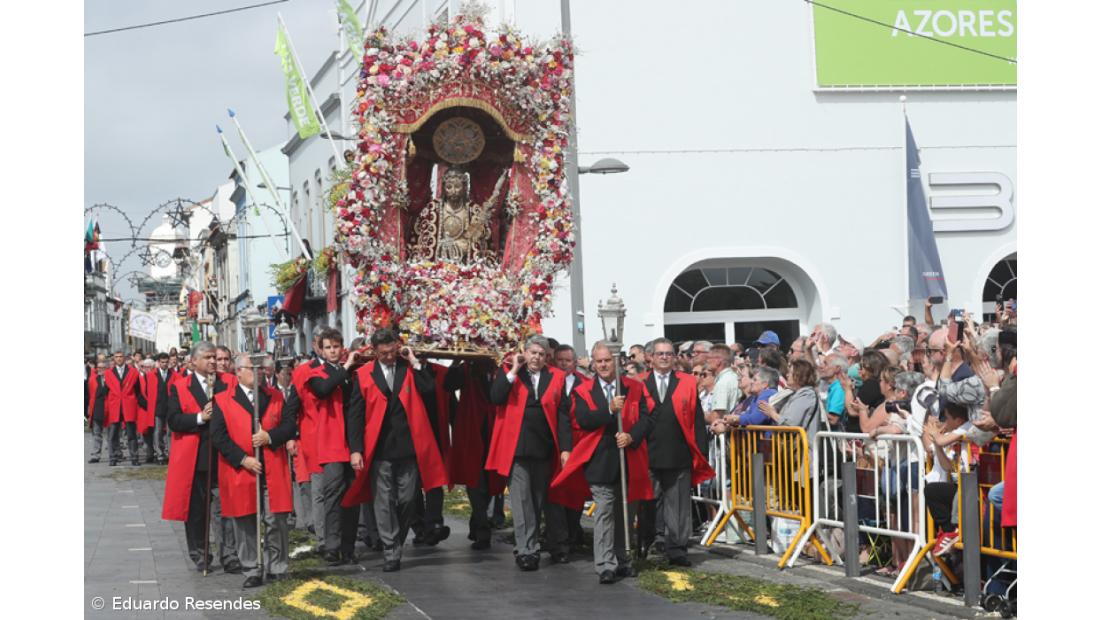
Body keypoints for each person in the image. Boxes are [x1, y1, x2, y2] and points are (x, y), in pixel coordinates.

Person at [342, 328, 447, 572]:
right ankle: (391, 550)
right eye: (384, 354)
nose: (389, 357)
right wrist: (356, 449)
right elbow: (355, 415)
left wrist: (412, 360)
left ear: (397, 346)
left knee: (408, 499)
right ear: (375, 352)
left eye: (392, 352)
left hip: (408, 447)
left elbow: (430, 390)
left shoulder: (408, 368)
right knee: (383, 502)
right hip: (378, 448)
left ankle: (395, 539)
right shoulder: (364, 374)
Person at [550, 342, 651, 584]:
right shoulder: (582, 390)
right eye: (599, 361)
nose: (604, 365)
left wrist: (631, 436)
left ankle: (622, 558)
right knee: (604, 512)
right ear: (593, 364)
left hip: (628, 459)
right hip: (600, 461)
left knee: (624, 513)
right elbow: (583, 420)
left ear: (616, 362)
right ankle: (605, 563)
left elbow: (647, 418)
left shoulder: (634, 387)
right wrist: (608, 409)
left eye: (607, 360)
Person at [210, 353, 297, 587]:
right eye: (252, 368)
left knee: (275, 518)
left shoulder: (275, 396)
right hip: (242, 469)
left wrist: (270, 436)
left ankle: (277, 566)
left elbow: (289, 425)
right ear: (238, 371)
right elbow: (218, 436)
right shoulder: (222, 399)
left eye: (261, 368)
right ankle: (251, 568)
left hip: (272, 466)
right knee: (245, 520)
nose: (258, 373)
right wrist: (243, 459)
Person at [486, 335, 571, 571]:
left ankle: (541, 544)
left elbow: (563, 414)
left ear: (547, 358)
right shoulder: (510, 372)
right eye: (533, 353)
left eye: (542, 354)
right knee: (522, 502)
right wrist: (513, 369)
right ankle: (527, 550)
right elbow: (496, 397)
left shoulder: (556, 377)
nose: (536, 358)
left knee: (539, 501)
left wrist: (565, 448)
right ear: (525, 352)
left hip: (544, 447)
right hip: (517, 448)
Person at [635, 338, 715, 567]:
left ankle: (677, 548)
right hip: (647, 453)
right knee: (647, 503)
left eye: (669, 354)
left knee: (678, 505)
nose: (664, 357)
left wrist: (701, 452)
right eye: (660, 353)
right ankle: (647, 542)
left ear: (674, 357)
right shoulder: (639, 382)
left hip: (678, 452)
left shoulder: (688, 382)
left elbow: (698, 420)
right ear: (650, 357)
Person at [162, 342, 240, 573]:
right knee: (196, 511)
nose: (213, 362)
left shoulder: (227, 383)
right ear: (194, 361)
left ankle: (230, 555)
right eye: (207, 358)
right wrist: (199, 417)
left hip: (222, 454)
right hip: (194, 457)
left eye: (214, 357)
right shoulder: (179, 386)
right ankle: (200, 553)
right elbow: (174, 420)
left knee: (225, 508)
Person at [289, 328, 361, 566]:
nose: (333, 351)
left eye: (336, 347)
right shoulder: (314, 371)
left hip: (350, 441)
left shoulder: (347, 372)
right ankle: (331, 545)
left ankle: (348, 547)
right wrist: (346, 368)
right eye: (328, 347)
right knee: (331, 495)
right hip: (329, 442)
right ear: (320, 348)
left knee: (352, 495)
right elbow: (322, 389)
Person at [445, 359, 502, 550]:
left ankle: (476, 522)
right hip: (472, 429)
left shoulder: (501, 368)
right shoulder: (466, 368)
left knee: (491, 481)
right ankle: (483, 530)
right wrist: (455, 362)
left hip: (494, 430)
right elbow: (449, 385)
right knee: (475, 481)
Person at [553, 343, 588, 550]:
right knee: (556, 491)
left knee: (576, 490)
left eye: (568, 360)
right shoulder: (549, 381)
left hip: (578, 443)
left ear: (575, 363)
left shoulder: (584, 383)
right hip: (554, 443)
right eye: (560, 360)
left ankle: (574, 530)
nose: (564, 364)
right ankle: (558, 535)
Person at [104, 350, 147, 466]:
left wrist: (145, 404)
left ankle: (134, 457)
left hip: (129, 406)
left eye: (120, 357)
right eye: (116, 357)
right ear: (114, 359)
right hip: (115, 406)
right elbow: (105, 391)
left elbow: (138, 390)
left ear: (124, 358)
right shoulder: (108, 373)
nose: (118, 359)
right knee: (113, 434)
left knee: (131, 434)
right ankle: (113, 458)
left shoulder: (133, 372)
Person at [87, 359, 110, 463]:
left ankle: (114, 453)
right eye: (99, 368)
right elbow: (91, 395)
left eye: (103, 368)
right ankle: (96, 455)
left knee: (110, 434)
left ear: (107, 368)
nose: (100, 370)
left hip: (108, 409)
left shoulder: (111, 378)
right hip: (96, 409)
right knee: (96, 433)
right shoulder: (92, 379)